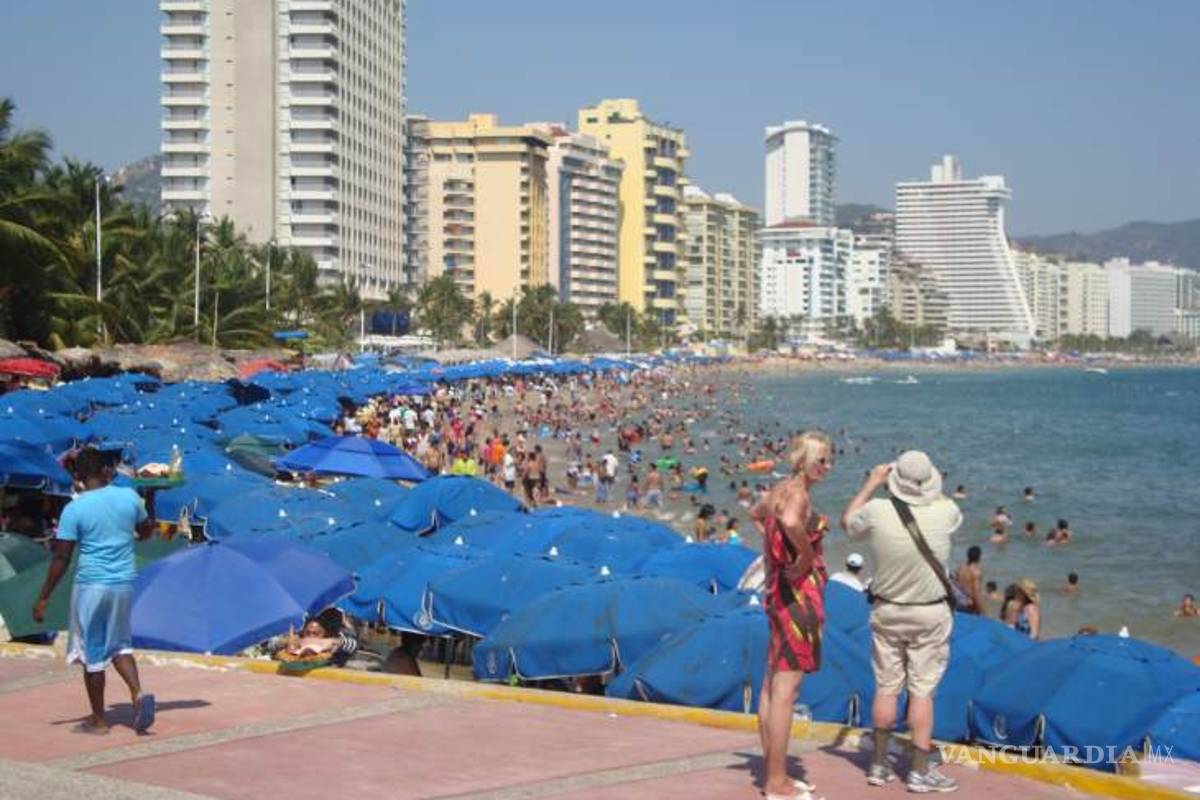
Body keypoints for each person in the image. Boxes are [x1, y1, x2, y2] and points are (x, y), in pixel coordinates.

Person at [841, 450, 963, 792]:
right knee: (922, 691)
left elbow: (847, 523)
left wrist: (872, 483)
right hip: (930, 612)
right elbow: (944, 504)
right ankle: (919, 771)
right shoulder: (946, 511)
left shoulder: (877, 510)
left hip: (888, 609)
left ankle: (879, 765)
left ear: (894, 480)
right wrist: (927, 483)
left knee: (886, 687)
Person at [32, 448, 157, 734]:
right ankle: (138, 693)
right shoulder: (129, 497)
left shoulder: (74, 509)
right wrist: (151, 497)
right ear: (106, 471)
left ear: (78, 476)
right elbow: (146, 532)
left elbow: (61, 557)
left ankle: (99, 720)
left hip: (91, 586)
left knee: (92, 654)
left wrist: (43, 597)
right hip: (123, 584)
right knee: (121, 645)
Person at [749, 430, 833, 800]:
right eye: (821, 460)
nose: (827, 466)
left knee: (772, 686)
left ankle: (774, 771)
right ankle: (776, 783)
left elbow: (756, 514)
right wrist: (804, 556)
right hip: (797, 599)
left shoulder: (780, 489)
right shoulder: (797, 494)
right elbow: (790, 521)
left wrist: (775, 555)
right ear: (803, 461)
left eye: (829, 460)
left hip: (778, 593)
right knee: (787, 689)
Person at [954, 546, 984, 614]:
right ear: (979, 557)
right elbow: (976, 593)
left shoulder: (960, 568)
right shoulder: (976, 572)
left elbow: (956, 585)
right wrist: (980, 610)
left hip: (959, 602)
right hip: (970, 605)